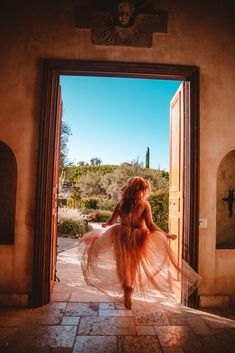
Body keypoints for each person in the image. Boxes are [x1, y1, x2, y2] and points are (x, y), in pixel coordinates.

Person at [79, 177, 200, 309]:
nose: (144, 193)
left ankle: (126, 289)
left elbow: (112, 221)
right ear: (140, 190)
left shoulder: (121, 203)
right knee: (131, 265)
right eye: (143, 190)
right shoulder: (144, 204)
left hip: (122, 235)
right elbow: (150, 224)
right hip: (137, 236)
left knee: (122, 264)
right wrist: (166, 235)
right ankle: (129, 288)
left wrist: (105, 224)